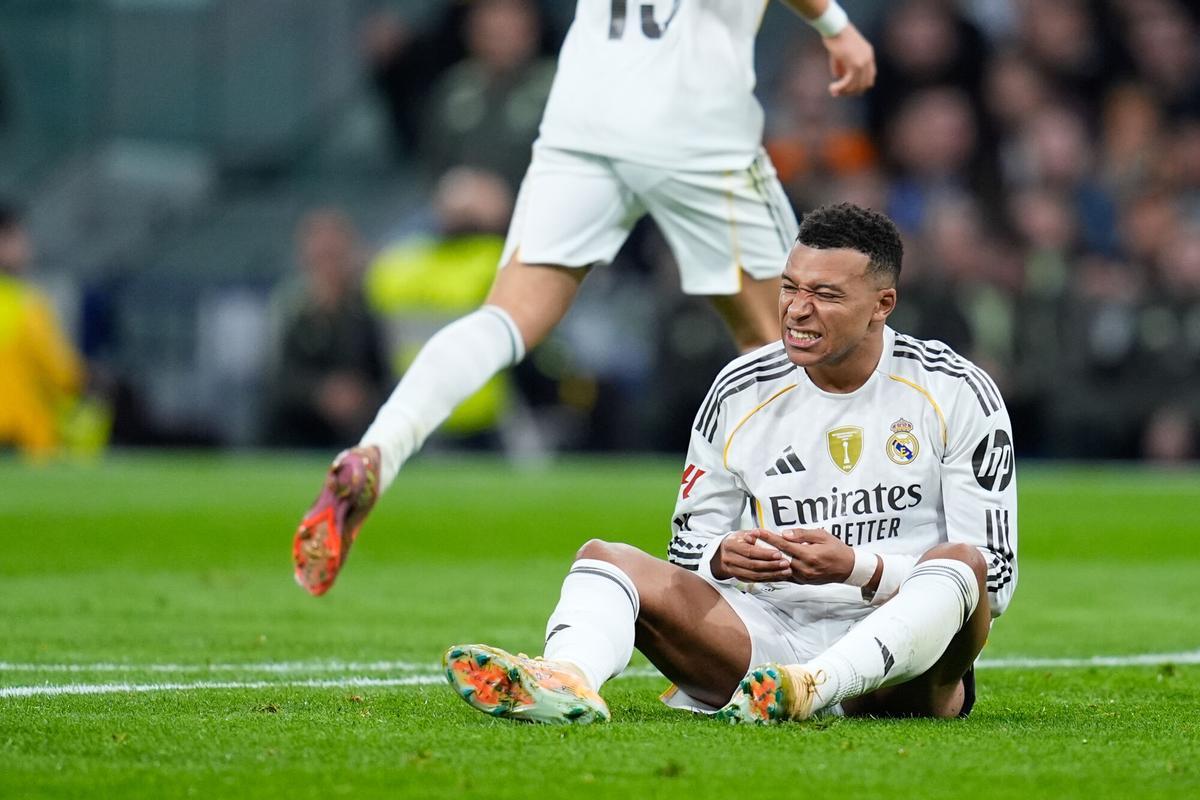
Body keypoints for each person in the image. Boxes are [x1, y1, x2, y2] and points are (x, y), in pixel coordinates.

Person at [293, 0, 878, 596]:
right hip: (693, 116)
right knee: (792, 345)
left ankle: (378, 451)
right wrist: (837, 26)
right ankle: (819, 576)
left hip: (584, 113)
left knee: (504, 319)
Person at [442, 203, 1018, 724]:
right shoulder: (741, 389)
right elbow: (686, 545)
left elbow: (995, 579)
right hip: (763, 640)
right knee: (605, 559)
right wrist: (721, 554)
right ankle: (566, 679)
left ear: (882, 305)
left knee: (961, 562)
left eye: (826, 294)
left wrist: (857, 568)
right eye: (790, 287)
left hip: (899, 668)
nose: (797, 309)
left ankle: (813, 687)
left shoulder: (955, 390)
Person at [264, 210, 389, 449]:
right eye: (321, 256)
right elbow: (278, 377)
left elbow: (380, 371)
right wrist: (320, 393)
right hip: (294, 431)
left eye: (335, 255)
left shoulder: (365, 308)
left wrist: (357, 394)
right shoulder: (291, 307)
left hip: (354, 429)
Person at [0, 203, 87, 460]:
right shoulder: (24, 303)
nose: (27, 248)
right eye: (19, 238)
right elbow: (64, 373)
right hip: (19, 435)